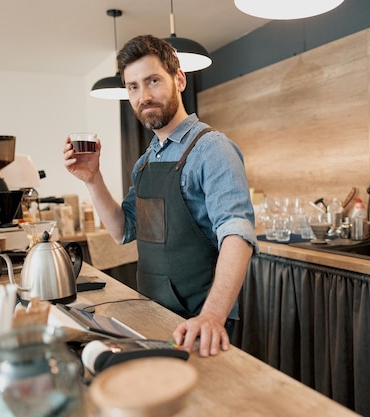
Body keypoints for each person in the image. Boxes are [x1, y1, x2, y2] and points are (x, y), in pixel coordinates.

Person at [63, 34, 258, 357]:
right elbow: (122, 229)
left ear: (179, 80)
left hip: (198, 321)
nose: (143, 96)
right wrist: (92, 178)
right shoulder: (146, 160)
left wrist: (211, 316)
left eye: (153, 80)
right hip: (152, 310)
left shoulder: (212, 148)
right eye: (133, 87)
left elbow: (237, 233)